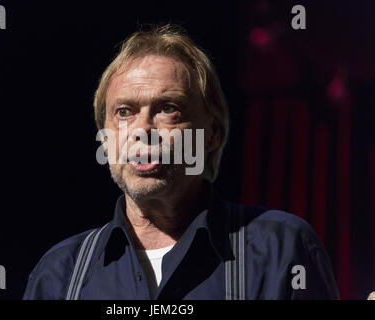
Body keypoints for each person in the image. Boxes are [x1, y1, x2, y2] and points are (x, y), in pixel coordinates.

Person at [23, 24, 339, 300]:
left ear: (213, 133)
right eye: (124, 112)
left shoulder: (280, 249)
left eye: (168, 108)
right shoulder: (59, 273)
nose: (142, 129)